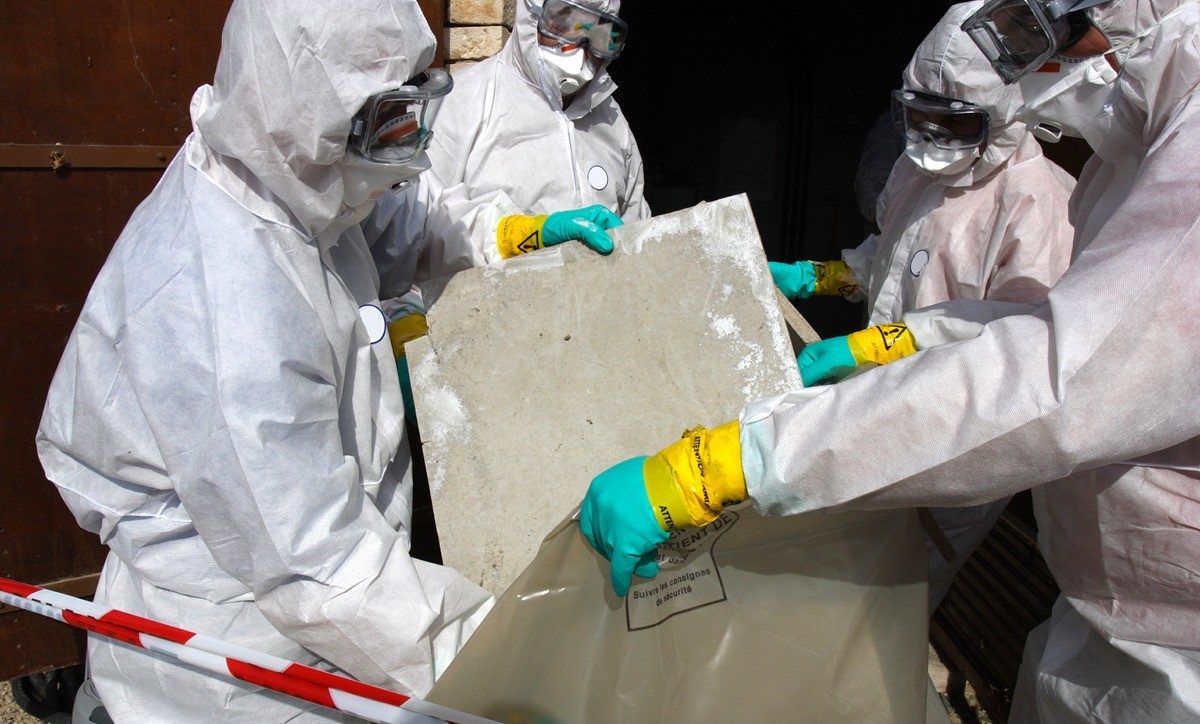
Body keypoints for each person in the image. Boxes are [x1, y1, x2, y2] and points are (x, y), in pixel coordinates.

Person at [578, 0, 1200, 719]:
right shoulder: (1132, 152)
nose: (1044, 62)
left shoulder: (1067, 187)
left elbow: (1057, 382)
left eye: (1041, 32)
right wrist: (877, 329)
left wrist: (735, 461)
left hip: (1172, 647)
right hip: (1105, 613)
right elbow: (1024, 321)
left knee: (875, 600)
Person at [36, 2, 497, 719]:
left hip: (321, 606)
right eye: (387, 122)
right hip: (236, 668)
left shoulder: (289, 179)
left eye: (416, 101)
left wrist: (511, 235)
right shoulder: (223, 309)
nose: (411, 148)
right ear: (304, 118)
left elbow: (392, 217)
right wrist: (504, 661)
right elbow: (322, 568)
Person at [772, 2, 1078, 610]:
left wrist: (880, 344)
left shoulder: (1036, 201)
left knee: (895, 597)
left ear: (1005, 114)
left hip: (955, 433)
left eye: (958, 124)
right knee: (839, 568)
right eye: (920, 117)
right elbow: (891, 257)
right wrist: (820, 276)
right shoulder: (917, 172)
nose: (935, 139)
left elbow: (1020, 342)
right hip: (875, 403)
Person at [421, 0, 649, 267]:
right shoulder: (462, 102)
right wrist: (521, 236)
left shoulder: (612, 120)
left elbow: (638, 234)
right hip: (487, 306)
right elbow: (420, 230)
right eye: (566, 23)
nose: (579, 49)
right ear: (533, 14)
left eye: (599, 34)